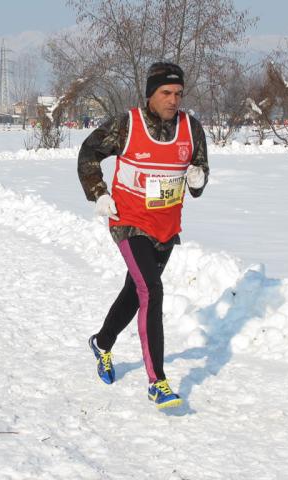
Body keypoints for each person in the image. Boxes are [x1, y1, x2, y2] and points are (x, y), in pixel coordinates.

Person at [78, 62, 209, 410]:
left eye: (178, 93)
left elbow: (200, 174)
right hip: (128, 221)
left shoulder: (191, 127)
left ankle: (102, 343)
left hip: (166, 227)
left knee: (135, 293)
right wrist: (99, 192)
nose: (173, 99)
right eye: (166, 93)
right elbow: (88, 153)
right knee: (151, 290)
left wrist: (198, 179)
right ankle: (157, 382)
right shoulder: (127, 124)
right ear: (150, 93)